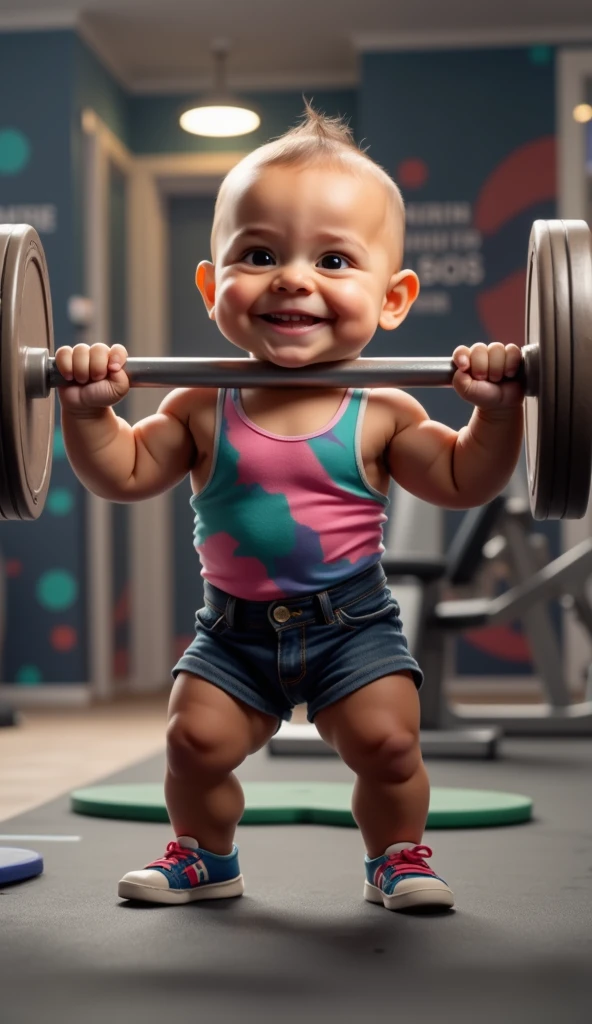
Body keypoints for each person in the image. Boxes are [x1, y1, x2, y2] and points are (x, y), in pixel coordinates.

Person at [56, 105, 523, 912]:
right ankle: (206, 858)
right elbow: (125, 472)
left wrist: (499, 411)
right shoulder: (203, 402)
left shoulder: (383, 410)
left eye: (335, 259)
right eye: (261, 254)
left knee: (387, 742)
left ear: (394, 298)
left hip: (354, 626)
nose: (294, 278)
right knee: (191, 742)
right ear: (213, 287)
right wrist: (88, 410)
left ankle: (397, 859)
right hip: (233, 632)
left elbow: (459, 479)